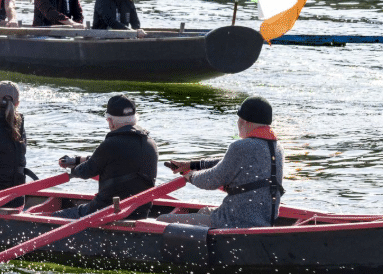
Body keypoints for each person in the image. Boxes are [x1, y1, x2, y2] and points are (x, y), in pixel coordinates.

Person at [160, 97, 285, 229]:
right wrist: (191, 165)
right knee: (204, 212)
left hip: (235, 222)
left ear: (244, 121)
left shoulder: (242, 146)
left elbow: (211, 180)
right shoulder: (277, 148)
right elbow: (225, 163)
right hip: (264, 221)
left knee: (161, 220)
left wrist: (191, 176)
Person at [52, 95, 158, 220]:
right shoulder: (150, 143)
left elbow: (86, 171)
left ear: (111, 121)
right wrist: (76, 160)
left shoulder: (111, 144)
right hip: (140, 211)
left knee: (57, 217)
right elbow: (113, 161)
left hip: (108, 211)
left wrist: (72, 171)